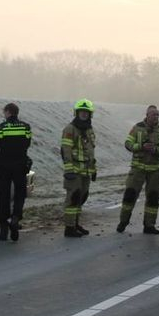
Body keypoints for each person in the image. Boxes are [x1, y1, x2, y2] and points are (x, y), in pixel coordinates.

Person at [117, 105, 159, 235]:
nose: (156, 117)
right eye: (153, 115)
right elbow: (128, 144)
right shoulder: (137, 128)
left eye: (157, 115)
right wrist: (141, 146)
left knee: (153, 198)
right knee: (130, 195)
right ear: (147, 115)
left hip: (155, 171)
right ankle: (123, 222)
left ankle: (149, 225)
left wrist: (156, 150)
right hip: (137, 168)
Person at [0, 103, 33, 241]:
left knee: (4, 196)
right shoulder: (26, 127)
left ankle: (4, 227)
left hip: (4, 167)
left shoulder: (1, 128)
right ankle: (16, 218)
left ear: (8, 112)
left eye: (4, 111)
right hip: (20, 166)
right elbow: (27, 143)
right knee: (20, 194)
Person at [61, 99, 97, 238]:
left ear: (90, 114)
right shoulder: (70, 129)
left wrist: (93, 170)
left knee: (82, 198)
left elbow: (90, 151)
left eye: (86, 112)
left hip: (86, 172)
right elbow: (66, 150)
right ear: (76, 113)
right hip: (74, 172)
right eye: (81, 112)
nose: (83, 114)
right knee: (73, 198)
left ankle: (75, 224)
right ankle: (69, 228)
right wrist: (69, 170)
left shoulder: (89, 129)